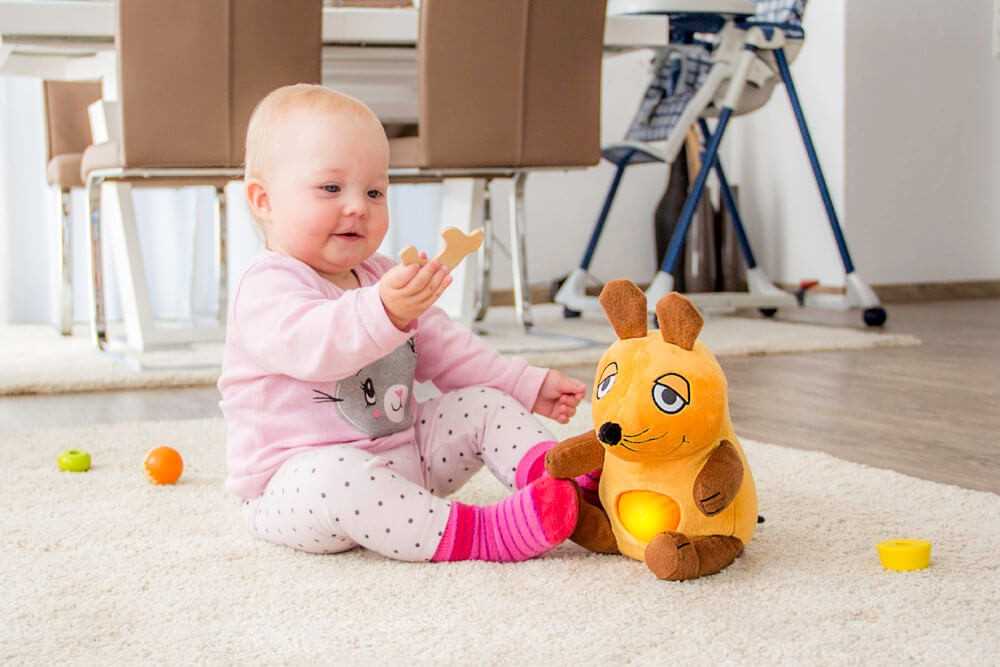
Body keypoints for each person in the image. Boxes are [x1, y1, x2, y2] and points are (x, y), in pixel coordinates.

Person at [219, 84, 589, 563]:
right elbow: (315, 345)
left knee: (485, 404)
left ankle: (563, 487)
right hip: (298, 488)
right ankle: (482, 535)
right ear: (263, 200)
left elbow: (451, 352)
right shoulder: (266, 285)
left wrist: (525, 384)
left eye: (375, 191)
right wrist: (386, 311)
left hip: (406, 458)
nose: (358, 206)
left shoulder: (382, 277)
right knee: (339, 477)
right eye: (331, 188)